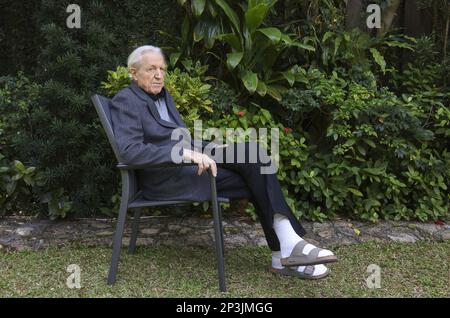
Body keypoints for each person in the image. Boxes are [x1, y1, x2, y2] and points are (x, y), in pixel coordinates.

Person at [110, 45, 338, 279]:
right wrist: (185, 155)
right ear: (133, 72)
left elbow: (181, 138)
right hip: (166, 177)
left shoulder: (162, 96)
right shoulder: (126, 100)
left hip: (187, 164)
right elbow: (130, 151)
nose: (159, 75)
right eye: (151, 69)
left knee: (254, 152)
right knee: (257, 175)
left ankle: (286, 250)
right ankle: (284, 251)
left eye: (162, 69)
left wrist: (212, 148)